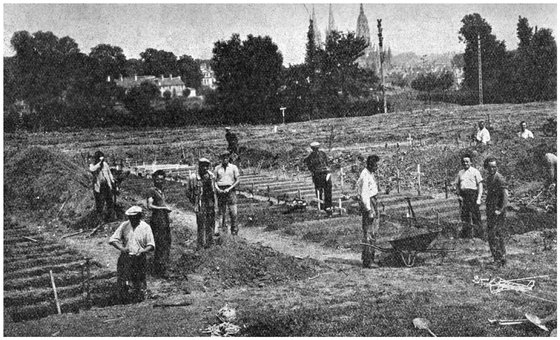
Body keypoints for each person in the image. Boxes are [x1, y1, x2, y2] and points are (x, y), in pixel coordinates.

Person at [109, 206, 155, 303]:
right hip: (126, 257)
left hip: (139, 257)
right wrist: (122, 248)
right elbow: (113, 240)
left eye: (134, 217)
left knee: (139, 279)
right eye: (130, 217)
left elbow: (151, 245)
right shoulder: (125, 225)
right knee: (123, 279)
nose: (132, 219)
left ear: (139, 216)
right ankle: (124, 299)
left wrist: (143, 251)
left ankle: (139, 298)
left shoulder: (145, 227)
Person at [356, 155, 381, 268]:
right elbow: (364, 194)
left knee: (373, 232)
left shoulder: (369, 174)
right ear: (371, 165)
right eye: (376, 165)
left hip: (373, 202)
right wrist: (369, 210)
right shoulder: (365, 175)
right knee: (369, 232)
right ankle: (368, 260)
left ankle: (370, 257)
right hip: (369, 204)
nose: (377, 167)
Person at [147, 170, 172, 278]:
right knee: (160, 243)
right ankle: (159, 268)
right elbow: (149, 205)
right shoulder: (152, 191)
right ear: (154, 179)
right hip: (157, 219)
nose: (159, 181)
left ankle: (163, 266)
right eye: (157, 179)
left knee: (167, 241)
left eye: (162, 179)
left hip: (164, 218)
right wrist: (163, 208)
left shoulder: (161, 191)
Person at [483, 157, 508, 267]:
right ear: (486, 168)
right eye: (490, 167)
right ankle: (498, 257)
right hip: (491, 210)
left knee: (496, 234)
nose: (492, 169)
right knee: (492, 234)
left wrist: (500, 209)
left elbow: (505, 195)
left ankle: (500, 258)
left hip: (498, 211)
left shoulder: (499, 178)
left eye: (494, 167)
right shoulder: (489, 178)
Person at [456, 153, 484, 238]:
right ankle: (466, 234)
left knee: (475, 215)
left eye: (467, 162)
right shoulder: (460, 173)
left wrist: (479, 198)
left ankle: (479, 235)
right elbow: (457, 185)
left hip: (473, 195)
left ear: (471, 162)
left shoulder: (475, 172)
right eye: (463, 162)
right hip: (463, 196)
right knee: (464, 216)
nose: (465, 163)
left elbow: (480, 185)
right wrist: (459, 195)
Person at [191, 158, 216, 249]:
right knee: (201, 224)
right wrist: (194, 202)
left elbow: (214, 190)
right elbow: (188, 192)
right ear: (199, 166)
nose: (205, 168)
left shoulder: (211, 176)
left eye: (206, 166)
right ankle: (201, 244)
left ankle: (210, 242)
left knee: (211, 222)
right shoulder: (194, 177)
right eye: (203, 166)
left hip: (210, 202)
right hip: (201, 203)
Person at [303, 142, 333, 216]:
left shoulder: (310, 157)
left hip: (318, 175)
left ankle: (321, 205)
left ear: (311, 148)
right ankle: (328, 206)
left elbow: (309, 166)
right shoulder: (323, 154)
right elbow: (327, 163)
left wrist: (314, 170)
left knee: (319, 190)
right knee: (328, 190)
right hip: (326, 174)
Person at [214, 153, 240, 235]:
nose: (225, 159)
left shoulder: (233, 167)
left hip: (230, 190)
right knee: (221, 211)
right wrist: (218, 189)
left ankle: (234, 229)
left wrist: (229, 188)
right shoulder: (217, 168)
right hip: (220, 191)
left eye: (226, 158)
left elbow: (238, 180)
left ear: (228, 158)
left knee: (233, 211)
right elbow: (214, 181)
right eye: (223, 158)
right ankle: (222, 229)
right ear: (221, 159)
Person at [89, 150, 116, 221]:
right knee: (100, 202)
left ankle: (110, 217)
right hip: (99, 187)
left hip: (106, 185)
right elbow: (92, 169)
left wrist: (112, 181)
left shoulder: (105, 164)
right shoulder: (93, 165)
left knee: (109, 201)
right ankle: (100, 218)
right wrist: (99, 163)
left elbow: (109, 173)